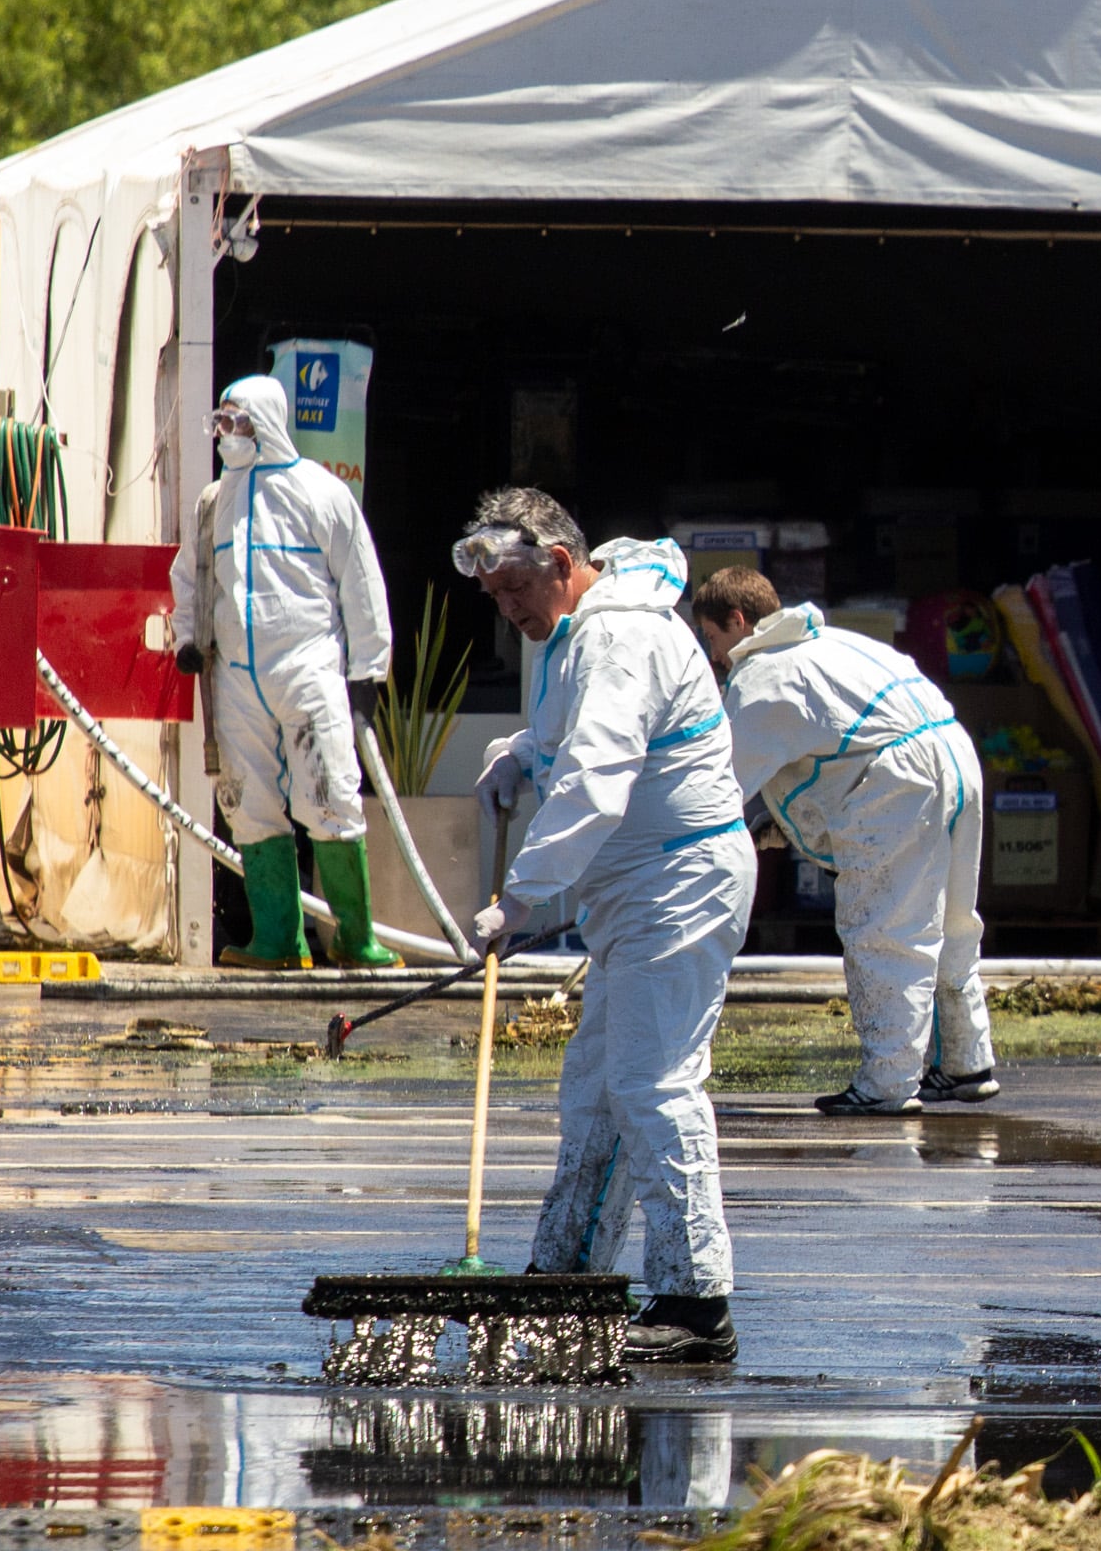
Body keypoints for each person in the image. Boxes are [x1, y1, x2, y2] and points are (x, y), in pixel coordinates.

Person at [458, 489, 756, 1365]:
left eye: (515, 586)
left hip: (679, 881)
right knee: (596, 1087)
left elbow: (596, 779)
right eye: (493, 595)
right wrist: (520, 754)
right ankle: (567, 1279)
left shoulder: (621, 636)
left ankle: (697, 1304)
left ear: (559, 563)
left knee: (653, 1081)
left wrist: (521, 897)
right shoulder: (577, 631)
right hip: (636, 887)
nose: (506, 607)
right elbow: (573, 745)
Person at [692, 565, 998, 1116]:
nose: (713, 655)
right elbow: (830, 746)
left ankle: (887, 1084)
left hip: (901, 782)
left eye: (712, 638)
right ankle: (965, 1062)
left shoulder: (763, 676)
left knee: (885, 932)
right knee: (953, 920)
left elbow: (720, 789)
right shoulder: (834, 643)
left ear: (737, 621)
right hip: (955, 757)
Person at [168, 375, 395, 970]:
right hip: (236, 679)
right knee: (249, 803)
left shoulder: (320, 492)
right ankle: (277, 940)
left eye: (235, 423)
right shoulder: (214, 500)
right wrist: (186, 637)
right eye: (219, 423)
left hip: (309, 669)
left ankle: (354, 938)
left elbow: (361, 580)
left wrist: (367, 671)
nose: (225, 435)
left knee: (330, 797)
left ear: (266, 422)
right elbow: (190, 576)